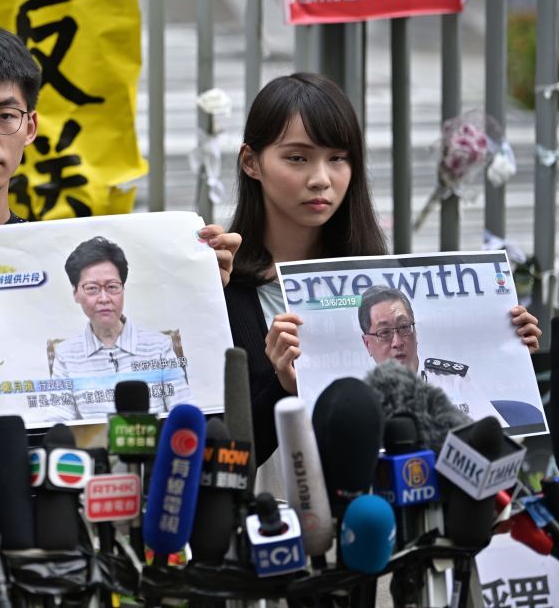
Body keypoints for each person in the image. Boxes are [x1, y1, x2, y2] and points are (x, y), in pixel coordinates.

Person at [0, 24, 238, 486]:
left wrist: (194, 289)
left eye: (4, 115)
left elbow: (128, 392)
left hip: (54, 519)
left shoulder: (57, 257)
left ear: (30, 126)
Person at [225, 73, 539, 470]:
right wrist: (282, 387)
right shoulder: (224, 293)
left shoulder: (384, 281)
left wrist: (505, 351)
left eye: (338, 158)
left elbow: (472, 439)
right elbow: (223, 461)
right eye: (297, 157)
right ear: (251, 162)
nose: (321, 178)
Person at [357, 285, 542, 427]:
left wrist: (516, 343)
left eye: (404, 327)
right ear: (367, 344)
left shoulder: (455, 380)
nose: (397, 342)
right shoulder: (361, 401)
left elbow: (496, 440)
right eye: (384, 333)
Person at [50, 236, 192, 418]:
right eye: (92, 288)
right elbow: (57, 422)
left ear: (123, 288)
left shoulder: (159, 346)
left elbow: (184, 413)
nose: (104, 298)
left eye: (112, 287)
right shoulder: (65, 355)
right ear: (75, 293)